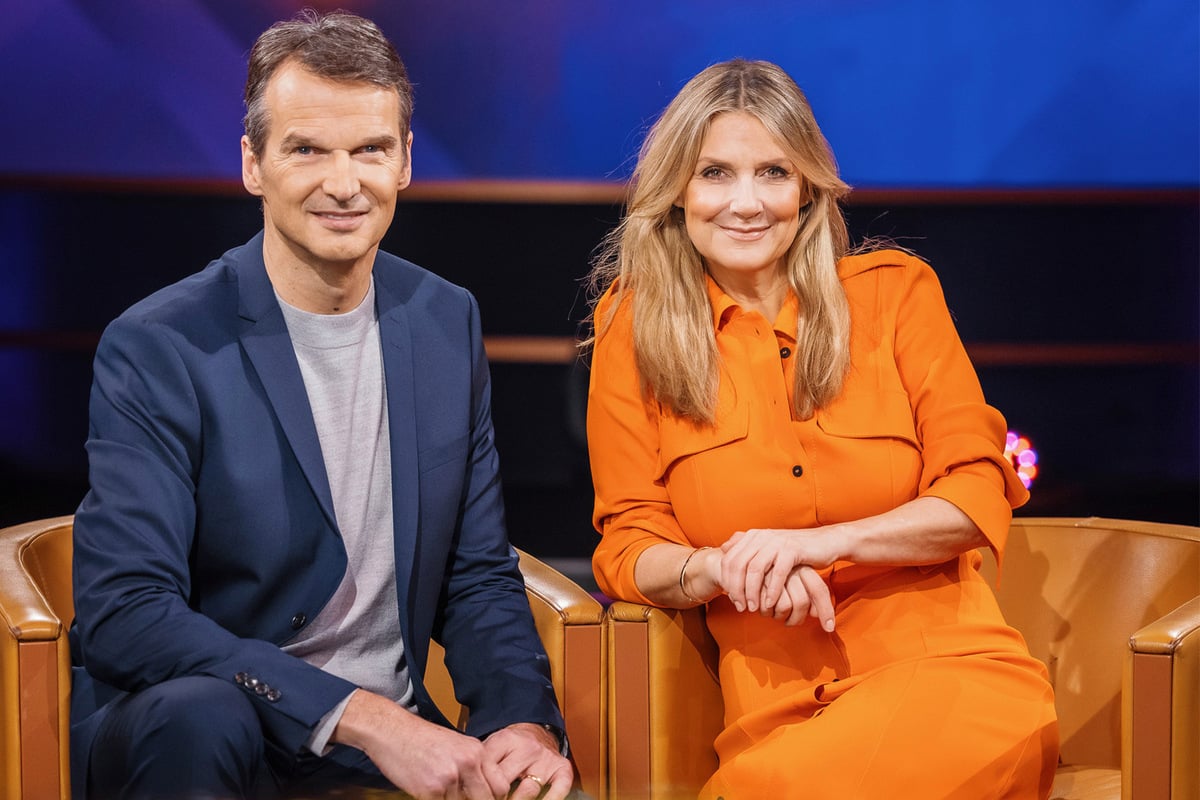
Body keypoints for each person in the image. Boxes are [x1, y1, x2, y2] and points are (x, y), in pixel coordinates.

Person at [70, 10, 573, 800]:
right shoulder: (161, 344)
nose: (344, 184)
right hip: (212, 726)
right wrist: (361, 716)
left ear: (405, 161)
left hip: (391, 735)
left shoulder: (445, 320)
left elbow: (474, 572)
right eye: (307, 150)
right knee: (202, 717)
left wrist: (519, 721)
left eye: (370, 149)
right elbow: (125, 612)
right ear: (253, 164)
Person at [586, 59, 1060, 799]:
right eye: (715, 174)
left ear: (807, 187)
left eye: (773, 173)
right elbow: (627, 545)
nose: (746, 203)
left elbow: (974, 495)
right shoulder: (632, 326)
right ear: (678, 189)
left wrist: (819, 543)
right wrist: (720, 569)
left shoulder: (896, 295)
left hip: (953, 678)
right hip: (776, 709)